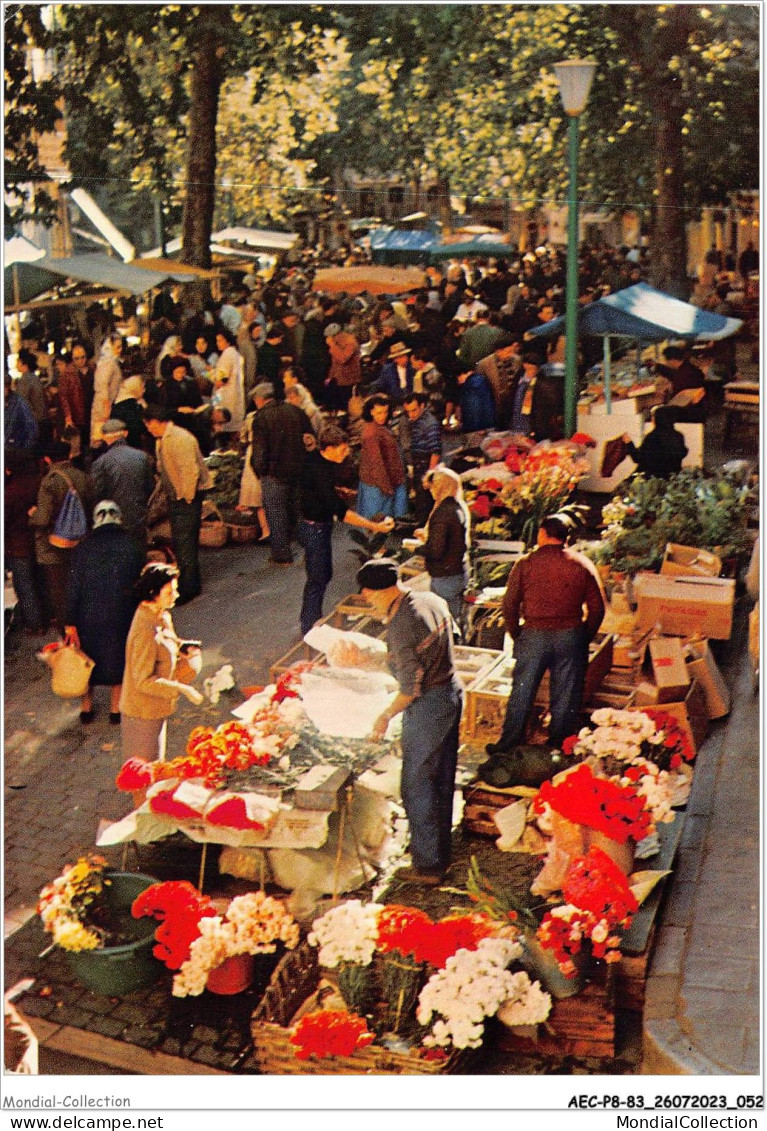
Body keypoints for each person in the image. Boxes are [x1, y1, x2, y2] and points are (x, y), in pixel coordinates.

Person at [358, 558, 464, 884]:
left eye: (368, 595)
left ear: (379, 590)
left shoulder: (402, 623)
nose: (368, 601)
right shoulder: (428, 598)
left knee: (417, 784)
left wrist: (383, 716)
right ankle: (440, 852)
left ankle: (429, 865)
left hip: (429, 705)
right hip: (452, 691)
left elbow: (408, 689)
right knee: (442, 777)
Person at [485, 515, 605, 760]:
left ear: (541, 533)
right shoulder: (581, 564)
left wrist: (517, 634)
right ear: (566, 539)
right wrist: (584, 636)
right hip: (570, 635)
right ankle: (559, 745)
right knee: (565, 692)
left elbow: (509, 605)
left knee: (522, 689)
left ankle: (509, 742)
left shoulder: (526, 563)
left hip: (534, 634)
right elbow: (598, 608)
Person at [297, 425, 394, 635]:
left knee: (322, 574)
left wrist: (338, 491)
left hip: (318, 524)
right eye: (342, 449)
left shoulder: (318, 460)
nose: (346, 452)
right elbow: (342, 512)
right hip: (314, 528)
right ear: (329, 448)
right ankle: (309, 626)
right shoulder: (320, 470)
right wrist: (374, 526)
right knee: (318, 577)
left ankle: (312, 620)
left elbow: (318, 492)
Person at [64, 500, 145, 725]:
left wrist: (70, 622)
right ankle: (115, 709)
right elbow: (141, 583)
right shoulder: (133, 545)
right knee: (119, 657)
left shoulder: (82, 549)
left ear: (95, 520)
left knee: (85, 659)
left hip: (88, 614)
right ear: (119, 518)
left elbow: (73, 587)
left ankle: (86, 706)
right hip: (122, 613)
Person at [119, 563, 204, 762]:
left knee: (156, 768)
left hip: (157, 707)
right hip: (141, 714)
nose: (176, 595)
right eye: (169, 592)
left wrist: (184, 647)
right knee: (145, 776)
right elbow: (143, 680)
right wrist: (184, 690)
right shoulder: (144, 631)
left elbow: (168, 642)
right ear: (152, 593)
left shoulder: (162, 614)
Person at [143, 404, 210, 604]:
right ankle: (189, 582)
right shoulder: (162, 439)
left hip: (185, 498)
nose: (148, 429)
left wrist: (187, 498)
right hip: (177, 498)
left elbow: (190, 471)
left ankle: (189, 587)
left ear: (155, 422)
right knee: (182, 543)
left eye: (148, 424)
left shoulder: (180, 439)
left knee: (185, 543)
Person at [28, 439, 92, 631]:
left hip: (54, 546)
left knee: (59, 593)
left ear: (47, 459)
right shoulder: (83, 477)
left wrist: (32, 515)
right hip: (80, 540)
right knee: (79, 587)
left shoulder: (50, 482)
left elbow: (43, 519)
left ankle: (68, 636)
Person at [250, 381, 313, 564]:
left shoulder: (261, 417)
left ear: (260, 400)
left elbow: (259, 451)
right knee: (300, 510)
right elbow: (310, 438)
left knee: (276, 514)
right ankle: (310, 548)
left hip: (274, 473)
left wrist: (259, 470)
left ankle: (281, 555)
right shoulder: (295, 411)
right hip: (298, 469)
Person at [417, 466, 470, 625]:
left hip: (445, 577)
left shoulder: (443, 512)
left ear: (441, 486)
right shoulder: (458, 506)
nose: (431, 491)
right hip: (459, 571)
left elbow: (436, 550)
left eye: (433, 486)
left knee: (446, 623)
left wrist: (417, 548)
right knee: (456, 618)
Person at [91, 419, 154, 544]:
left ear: (105, 437)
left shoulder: (101, 462)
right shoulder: (142, 456)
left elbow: (97, 493)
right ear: (125, 434)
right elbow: (150, 487)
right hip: (139, 515)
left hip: (113, 518)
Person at [4, 450, 44, 633]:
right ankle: (44, 617)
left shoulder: (10, 492)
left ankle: (34, 624)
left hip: (17, 544)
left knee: (24, 585)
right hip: (38, 540)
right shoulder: (38, 483)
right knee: (37, 581)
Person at [356, 394, 408, 520]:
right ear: (371, 412)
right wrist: (387, 489)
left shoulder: (377, 427)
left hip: (384, 482)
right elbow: (376, 463)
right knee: (380, 523)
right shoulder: (372, 434)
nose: (383, 416)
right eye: (379, 413)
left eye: (385, 412)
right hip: (380, 486)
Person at [400, 392, 442, 525]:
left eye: (414, 410)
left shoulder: (430, 424)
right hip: (418, 465)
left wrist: (429, 475)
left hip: (426, 466)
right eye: (408, 412)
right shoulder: (416, 421)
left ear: (422, 406)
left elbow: (435, 451)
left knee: (425, 502)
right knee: (421, 500)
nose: (411, 415)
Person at [622, 405, 688, 480]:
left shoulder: (652, 437)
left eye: (654, 417)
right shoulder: (678, 436)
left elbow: (637, 458)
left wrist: (628, 443)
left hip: (653, 481)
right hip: (672, 480)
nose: (652, 419)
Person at [90, 333, 124, 446]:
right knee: (101, 437)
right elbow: (103, 385)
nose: (120, 350)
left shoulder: (111, 361)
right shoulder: (108, 363)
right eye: (117, 347)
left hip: (107, 404)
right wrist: (106, 407)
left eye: (121, 346)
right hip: (104, 405)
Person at [213, 329, 245, 433]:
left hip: (225, 396)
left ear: (228, 341)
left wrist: (210, 376)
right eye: (217, 341)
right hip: (235, 394)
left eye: (220, 340)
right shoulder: (235, 353)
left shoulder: (227, 355)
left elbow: (222, 380)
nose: (218, 343)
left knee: (224, 427)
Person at [15, 350, 49, 443]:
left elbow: (22, 403)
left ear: (22, 363)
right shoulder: (34, 377)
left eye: (17, 361)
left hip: (33, 422)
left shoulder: (25, 380)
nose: (16, 363)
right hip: (42, 420)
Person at [111, 375, 149, 451]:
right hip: (130, 446)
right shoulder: (131, 405)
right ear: (134, 387)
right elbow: (138, 427)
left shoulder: (117, 402)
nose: (144, 390)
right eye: (142, 387)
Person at [4, 373, 38, 451]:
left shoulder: (19, 403)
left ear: (7, 388)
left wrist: (23, 449)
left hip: (14, 449)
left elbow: (31, 428)